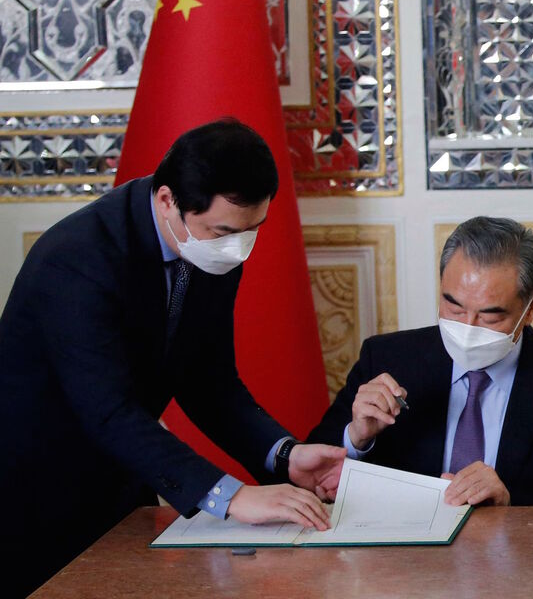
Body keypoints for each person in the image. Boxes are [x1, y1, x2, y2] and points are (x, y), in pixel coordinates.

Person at [0, 119, 345, 597]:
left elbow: (209, 381)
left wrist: (284, 455)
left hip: (123, 484)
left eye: (253, 230)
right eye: (225, 230)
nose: (238, 247)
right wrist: (231, 495)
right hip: (36, 493)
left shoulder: (212, 245)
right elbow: (108, 411)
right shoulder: (76, 258)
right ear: (167, 201)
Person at [309, 216, 533, 507]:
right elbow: (308, 474)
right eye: (453, 307)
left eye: (489, 315)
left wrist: (510, 504)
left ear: (532, 307)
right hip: (401, 559)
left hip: (514, 562)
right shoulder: (387, 358)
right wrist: (357, 438)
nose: (468, 328)